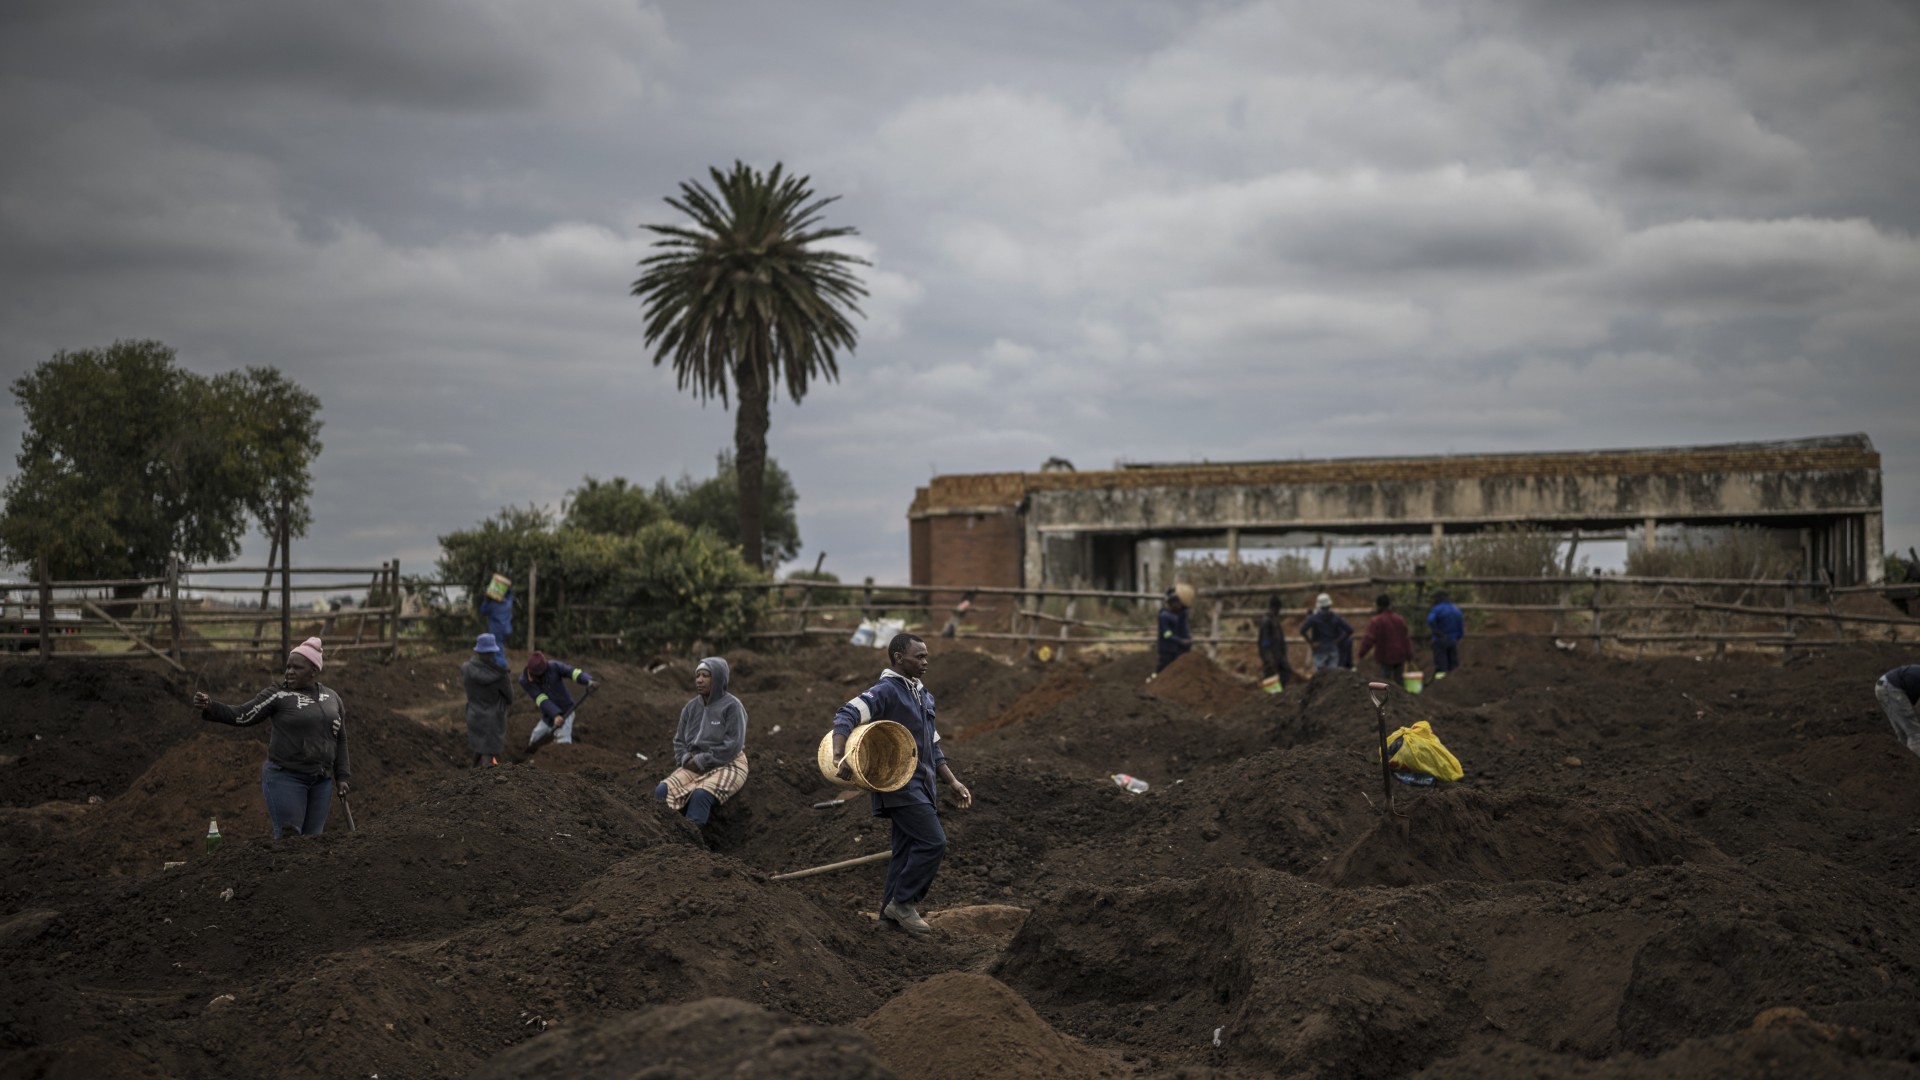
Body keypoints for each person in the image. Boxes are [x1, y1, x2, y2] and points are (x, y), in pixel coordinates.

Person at [831, 633, 972, 937]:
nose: (925, 662)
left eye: (926, 656)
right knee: (934, 842)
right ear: (898, 658)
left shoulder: (923, 695)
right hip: (899, 786)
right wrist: (839, 755)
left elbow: (932, 747)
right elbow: (847, 713)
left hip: (924, 786)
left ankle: (887, 919)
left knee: (905, 850)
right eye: (919, 657)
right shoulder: (886, 692)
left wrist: (952, 781)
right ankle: (905, 902)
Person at [191, 637, 349, 839]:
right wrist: (211, 706)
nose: (289, 671)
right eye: (288, 666)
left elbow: (341, 739)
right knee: (290, 841)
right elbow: (242, 715)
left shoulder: (333, 698)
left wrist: (343, 776)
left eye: (297, 668)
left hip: (321, 782)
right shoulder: (278, 694)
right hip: (286, 777)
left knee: (313, 843)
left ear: (314, 671)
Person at [654, 657, 749, 828]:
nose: (699, 680)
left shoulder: (732, 706)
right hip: (694, 765)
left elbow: (733, 744)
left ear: (718, 678)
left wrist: (701, 760)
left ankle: (690, 843)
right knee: (662, 790)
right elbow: (679, 740)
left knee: (700, 795)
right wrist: (684, 759)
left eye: (706, 675)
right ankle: (662, 836)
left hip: (729, 762)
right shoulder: (690, 708)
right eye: (697, 676)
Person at [520, 650, 597, 749]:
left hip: (566, 711)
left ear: (541, 673)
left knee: (562, 743)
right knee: (535, 738)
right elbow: (541, 699)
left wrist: (588, 680)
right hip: (549, 715)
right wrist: (555, 715)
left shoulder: (554, 667)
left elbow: (572, 672)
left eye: (533, 676)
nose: (530, 678)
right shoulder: (525, 680)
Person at [462, 632, 513, 767]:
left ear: (478, 651)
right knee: (488, 756)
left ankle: (472, 775)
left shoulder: (466, 669)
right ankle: (485, 785)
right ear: (493, 652)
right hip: (493, 720)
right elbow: (510, 698)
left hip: (473, 716)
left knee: (479, 747)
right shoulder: (501, 676)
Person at [1358, 594, 1415, 684]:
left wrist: (1362, 652)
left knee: (1384, 680)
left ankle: (1385, 696)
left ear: (1379, 606)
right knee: (1399, 680)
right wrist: (1409, 654)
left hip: (1385, 656)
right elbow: (1406, 638)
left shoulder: (1377, 621)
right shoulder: (1400, 619)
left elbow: (1369, 639)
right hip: (1400, 655)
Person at [1875, 664, 1920, 758]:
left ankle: (1904, 763)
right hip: (1891, 687)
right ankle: (1915, 767)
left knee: (1903, 733)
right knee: (1915, 734)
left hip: (1883, 685)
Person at [1301, 593, 1353, 672]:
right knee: (1332, 676)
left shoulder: (1314, 618)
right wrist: (1338, 641)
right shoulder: (1335, 617)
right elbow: (1349, 630)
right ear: (1329, 604)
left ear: (1318, 605)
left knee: (1319, 676)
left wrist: (1311, 643)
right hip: (1333, 649)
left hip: (1319, 651)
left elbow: (1302, 630)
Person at [1257, 595, 1297, 690]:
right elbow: (1264, 641)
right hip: (1271, 657)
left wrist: (1283, 652)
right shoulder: (1266, 621)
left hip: (1278, 655)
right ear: (1275, 607)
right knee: (1270, 678)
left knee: (1286, 672)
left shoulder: (1274, 620)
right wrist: (1268, 658)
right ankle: (1271, 697)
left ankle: (1279, 692)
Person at [1426, 591, 1465, 678]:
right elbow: (1461, 628)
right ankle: (1455, 682)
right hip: (1453, 640)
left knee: (1441, 665)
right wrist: (1457, 637)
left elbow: (1430, 620)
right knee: (1453, 663)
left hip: (1440, 639)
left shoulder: (1437, 609)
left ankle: (1440, 684)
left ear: (1438, 598)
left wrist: (1436, 632)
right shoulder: (1456, 609)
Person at [1156, 586, 1193, 674]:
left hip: (1177, 647)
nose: (1180, 606)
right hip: (1167, 649)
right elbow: (1167, 634)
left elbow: (1184, 627)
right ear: (1172, 603)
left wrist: (1187, 640)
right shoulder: (1165, 616)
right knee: (1163, 669)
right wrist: (1181, 641)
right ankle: (1153, 682)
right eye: (1178, 603)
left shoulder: (1180, 614)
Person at [479, 577, 513, 652]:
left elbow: (482, 611)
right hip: (507, 629)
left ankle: (501, 663)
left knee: (497, 649)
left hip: (496, 630)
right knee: (500, 647)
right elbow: (510, 594)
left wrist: (487, 598)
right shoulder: (508, 603)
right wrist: (508, 587)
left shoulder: (492, 605)